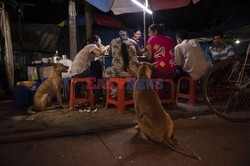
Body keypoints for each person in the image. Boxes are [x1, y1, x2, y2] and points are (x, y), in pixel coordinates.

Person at [71, 35, 109, 102]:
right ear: (95, 42)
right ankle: (98, 97)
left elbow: (97, 56)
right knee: (99, 75)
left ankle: (95, 95)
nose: (100, 44)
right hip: (81, 72)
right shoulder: (91, 45)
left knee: (96, 66)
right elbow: (100, 52)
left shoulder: (86, 48)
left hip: (75, 73)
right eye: (99, 42)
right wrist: (107, 46)